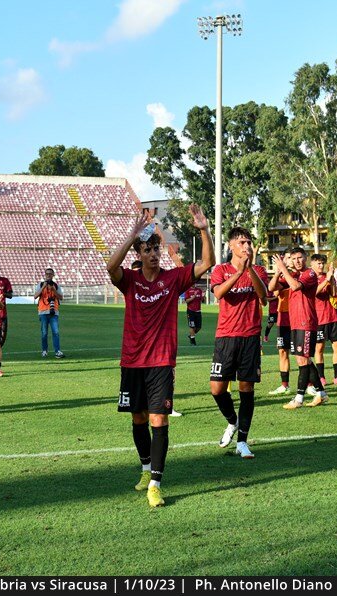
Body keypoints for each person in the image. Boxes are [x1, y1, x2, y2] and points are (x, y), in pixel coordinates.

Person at [109, 204, 212, 507]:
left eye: (156, 249)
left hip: (161, 363)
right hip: (132, 361)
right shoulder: (129, 280)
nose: (153, 254)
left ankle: (155, 482)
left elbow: (207, 262)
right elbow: (110, 267)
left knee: (159, 419)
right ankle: (144, 468)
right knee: (138, 418)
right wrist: (132, 234)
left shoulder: (174, 279)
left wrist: (204, 229)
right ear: (139, 255)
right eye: (147, 250)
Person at [208, 227, 269, 459]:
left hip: (250, 336)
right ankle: (232, 422)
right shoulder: (221, 270)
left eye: (249, 242)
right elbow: (219, 294)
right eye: (242, 242)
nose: (247, 246)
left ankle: (243, 441)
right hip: (225, 336)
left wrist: (250, 269)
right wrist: (238, 273)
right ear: (231, 245)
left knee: (246, 388)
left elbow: (263, 295)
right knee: (217, 389)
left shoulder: (259, 270)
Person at [280, 248, 329, 409]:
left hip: (306, 323)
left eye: (300, 257)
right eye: (293, 259)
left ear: (306, 258)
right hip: (295, 323)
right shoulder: (293, 274)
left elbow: (294, 287)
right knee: (304, 360)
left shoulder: (310, 274)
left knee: (303, 361)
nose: (297, 261)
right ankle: (321, 394)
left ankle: (299, 398)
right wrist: (280, 270)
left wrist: (283, 268)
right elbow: (272, 287)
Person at [310, 255, 337, 387]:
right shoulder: (309, 277)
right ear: (313, 264)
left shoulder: (328, 276)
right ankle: (321, 377)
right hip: (318, 319)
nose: (321, 266)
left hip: (333, 317)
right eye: (319, 263)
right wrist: (326, 279)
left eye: (322, 264)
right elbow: (314, 292)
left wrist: (331, 279)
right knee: (319, 348)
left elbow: (333, 293)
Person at [267, 249, 293, 396]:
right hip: (283, 317)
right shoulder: (282, 277)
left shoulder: (299, 275)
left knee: (302, 354)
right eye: (287, 258)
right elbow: (274, 291)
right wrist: (278, 272)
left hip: (297, 317)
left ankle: (309, 384)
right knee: (283, 351)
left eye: (290, 257)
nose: (288, 261)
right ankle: (285, 385)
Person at [34, 267, 65, 358]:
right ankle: (44, 350)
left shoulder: (56, 285)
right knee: (44, 333)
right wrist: (44, 286)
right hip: (43, 312)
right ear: (45, 275)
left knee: (56, 332)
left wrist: (53, 290)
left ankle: (57, 351)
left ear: (53, 275)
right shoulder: (40, 284)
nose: (48, 275)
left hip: (54, 312)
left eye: (50, 274)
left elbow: (61, 297)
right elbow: (35, 296)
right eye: (47, 274)